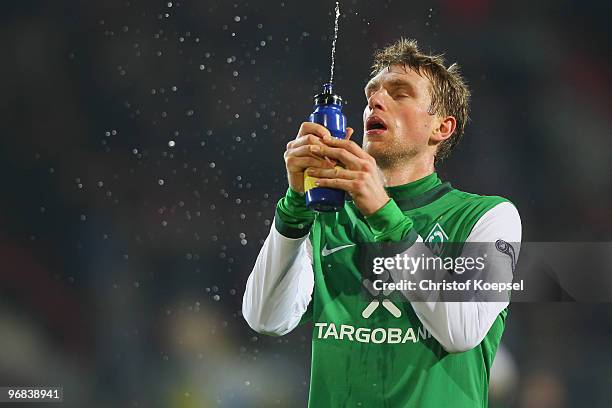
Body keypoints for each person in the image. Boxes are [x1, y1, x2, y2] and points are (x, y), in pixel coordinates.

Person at [242, 38, 521, 407]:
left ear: (442, 127)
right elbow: (265, 318)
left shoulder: (487, 217)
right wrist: (295, 206)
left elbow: (461, 330)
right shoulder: (327, 215)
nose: (376, 100)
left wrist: (385, 216)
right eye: (371, 94)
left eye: (400, 93)